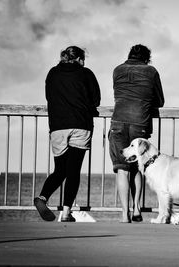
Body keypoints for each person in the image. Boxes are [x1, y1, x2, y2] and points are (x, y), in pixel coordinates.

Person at [34, 46, 101, 222]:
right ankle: (65, 213)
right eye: (83, 59)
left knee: (60, 170)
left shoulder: (53, 73)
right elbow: (96, 100)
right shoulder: (86, 73)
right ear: (78, 58)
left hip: (58, 126)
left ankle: (42, 198)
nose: (84, 62)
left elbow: (49, 97)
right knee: (73, 171)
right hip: (80, 124)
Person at [109, 44, 164, 223]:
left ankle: (124, 214)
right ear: (147, 58)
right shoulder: (151, 72)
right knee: (138, 167)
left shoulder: (117, 70)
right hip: (140, 123)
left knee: (122, 169)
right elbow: (160, 101)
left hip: (118, 121)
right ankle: (137, 210)